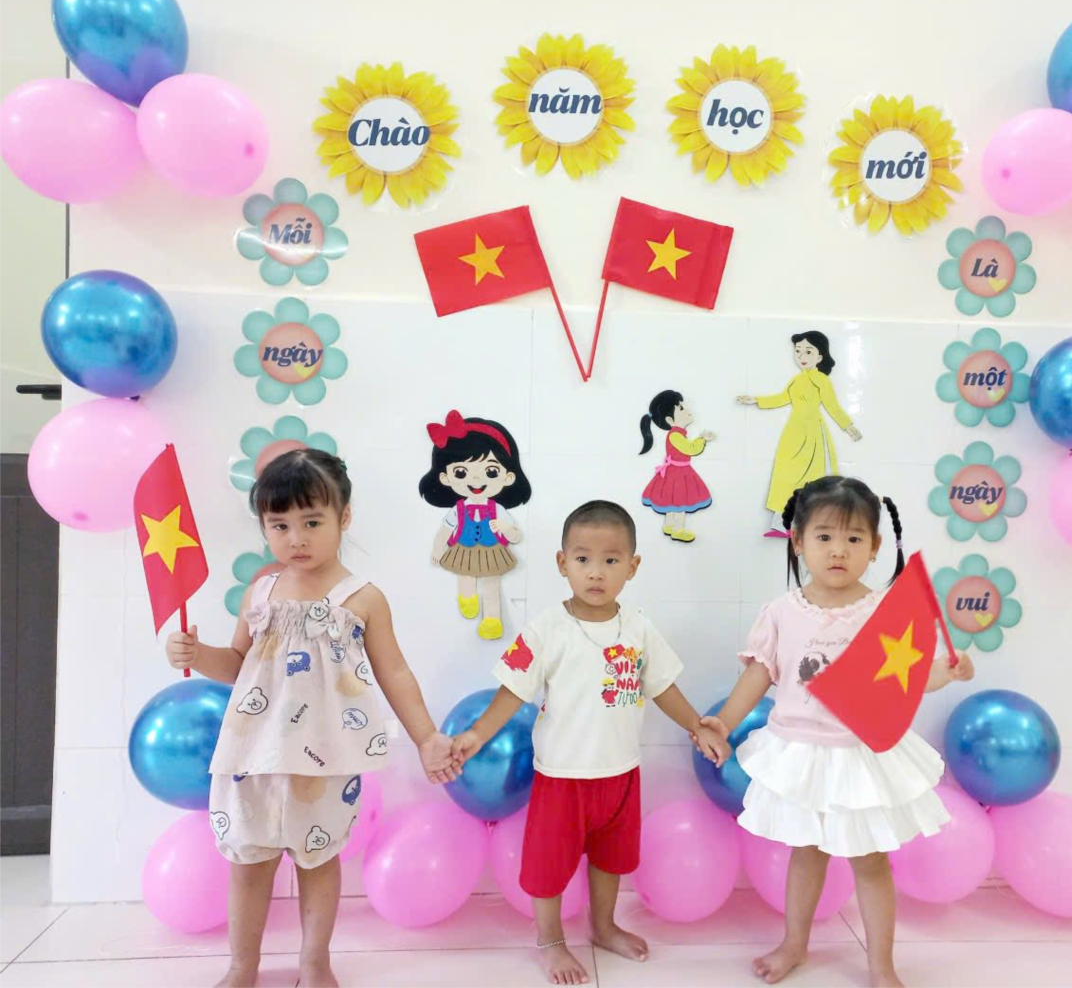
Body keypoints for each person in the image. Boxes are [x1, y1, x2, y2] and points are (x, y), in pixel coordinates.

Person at [166, 449, 457, 988]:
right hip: (253, 755)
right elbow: (237, 663)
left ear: (344, 517)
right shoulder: (260, 593)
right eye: (279, 525)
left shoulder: (362, 599)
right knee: (249, 862)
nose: (295, 538)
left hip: (325, 759)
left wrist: (425, 737)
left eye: (312, 522)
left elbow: (395, 673)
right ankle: (242, 965)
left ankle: (315, 961)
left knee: (318, 860)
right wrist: (197, 654)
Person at [698, 477, 974, 986]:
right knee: (808, 853)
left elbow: (909, 675)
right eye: (824, 537)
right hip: (802, 753)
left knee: (870, 861)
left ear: (874, 546)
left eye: (853, 538)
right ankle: (794, 945)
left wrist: (946, 671)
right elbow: (759, 674)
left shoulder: (883, 610)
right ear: (798, 541)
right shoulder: (781, 613)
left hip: (860, 753)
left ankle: (881, 964)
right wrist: (724, 721)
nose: (838, 550)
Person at [451, 500, 731, 986]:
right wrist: (477, 733)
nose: (596, 572)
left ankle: (603, 926)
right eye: (583, 559)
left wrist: (696, 725)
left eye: (610, 560)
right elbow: (512, 689)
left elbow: (661, 685)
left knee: (611, 857)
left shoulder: (638, 627)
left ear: (632, 567)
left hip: (620, 771)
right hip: (562, 776)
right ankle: (550, 940)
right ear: (563, 564)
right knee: (548, 865)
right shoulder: (547, 629)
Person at [419, 409, 531, 640]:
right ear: (445, 477)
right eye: (461, 472)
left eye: (491, 471)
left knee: (491, 585)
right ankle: (467, 597)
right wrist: (438, 549)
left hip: (493, 551)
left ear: (508, 477)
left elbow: (516, 535)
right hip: (463, 550)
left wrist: (505, 528)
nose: (477, 479)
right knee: (465, 576)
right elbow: (445, 531)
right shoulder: (458, 510)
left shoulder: (498, 510)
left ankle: (492, 620)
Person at [737, 331, 862, 538]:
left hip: (812, 433)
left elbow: (832, 405)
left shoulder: (821, 380)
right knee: (784, 474)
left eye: (808, 351)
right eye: (798, 351)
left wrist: (848, 426)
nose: (802, 356)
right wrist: (756, 400)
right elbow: (783, 398)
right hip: (793, 432)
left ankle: (813, 524)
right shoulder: (797, 379)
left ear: (820, 356)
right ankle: (781, 524)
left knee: (810, 478)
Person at [638, 389, 715, 543]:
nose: (687, 410)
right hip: (679, 473)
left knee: (672, 500)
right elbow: (690, 449)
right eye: (681, 408)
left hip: (675, 471)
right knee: (679, 499)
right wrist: (702, 439)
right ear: (670, 419)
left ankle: (669, 525)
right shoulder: (675, 435)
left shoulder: (677, 434)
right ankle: (678, 529)